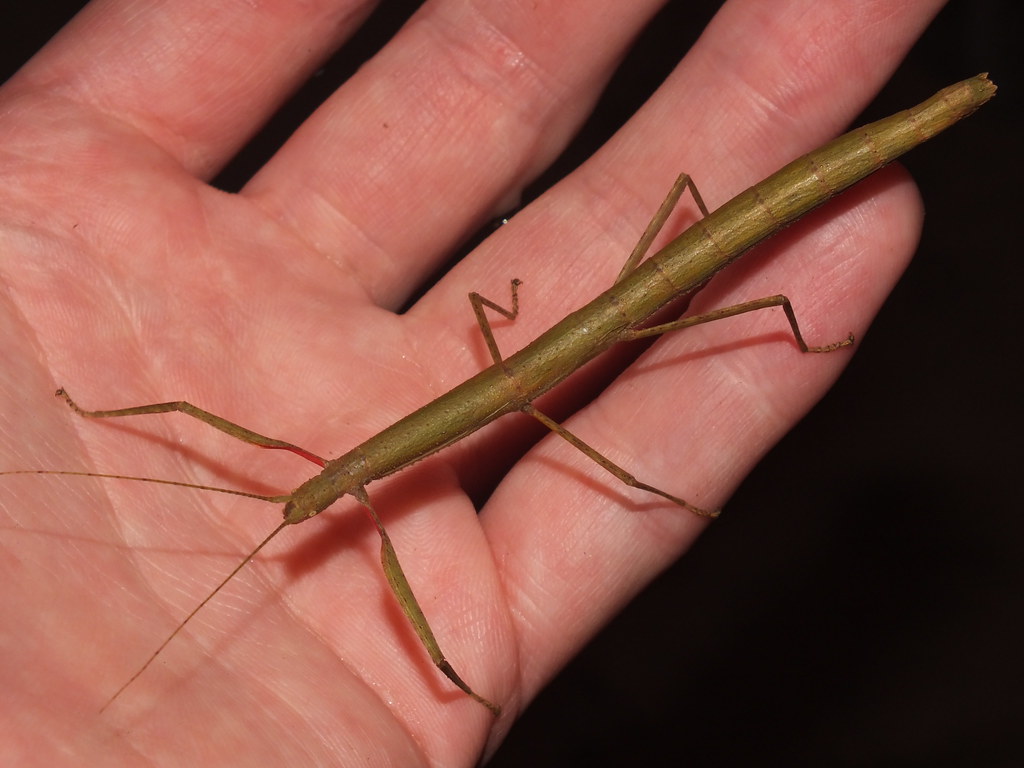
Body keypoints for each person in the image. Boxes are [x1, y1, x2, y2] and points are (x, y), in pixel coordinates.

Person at [0, 0, 943, 764]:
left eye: (319, 487)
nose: (312, 494)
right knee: (695, 290)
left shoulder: (363, 486)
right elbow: (196, 416)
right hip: (630, 294)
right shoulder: (343, 483)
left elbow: (191, 415)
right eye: (319, 491)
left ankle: (816, 301)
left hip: (656, 281)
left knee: (717, 301)